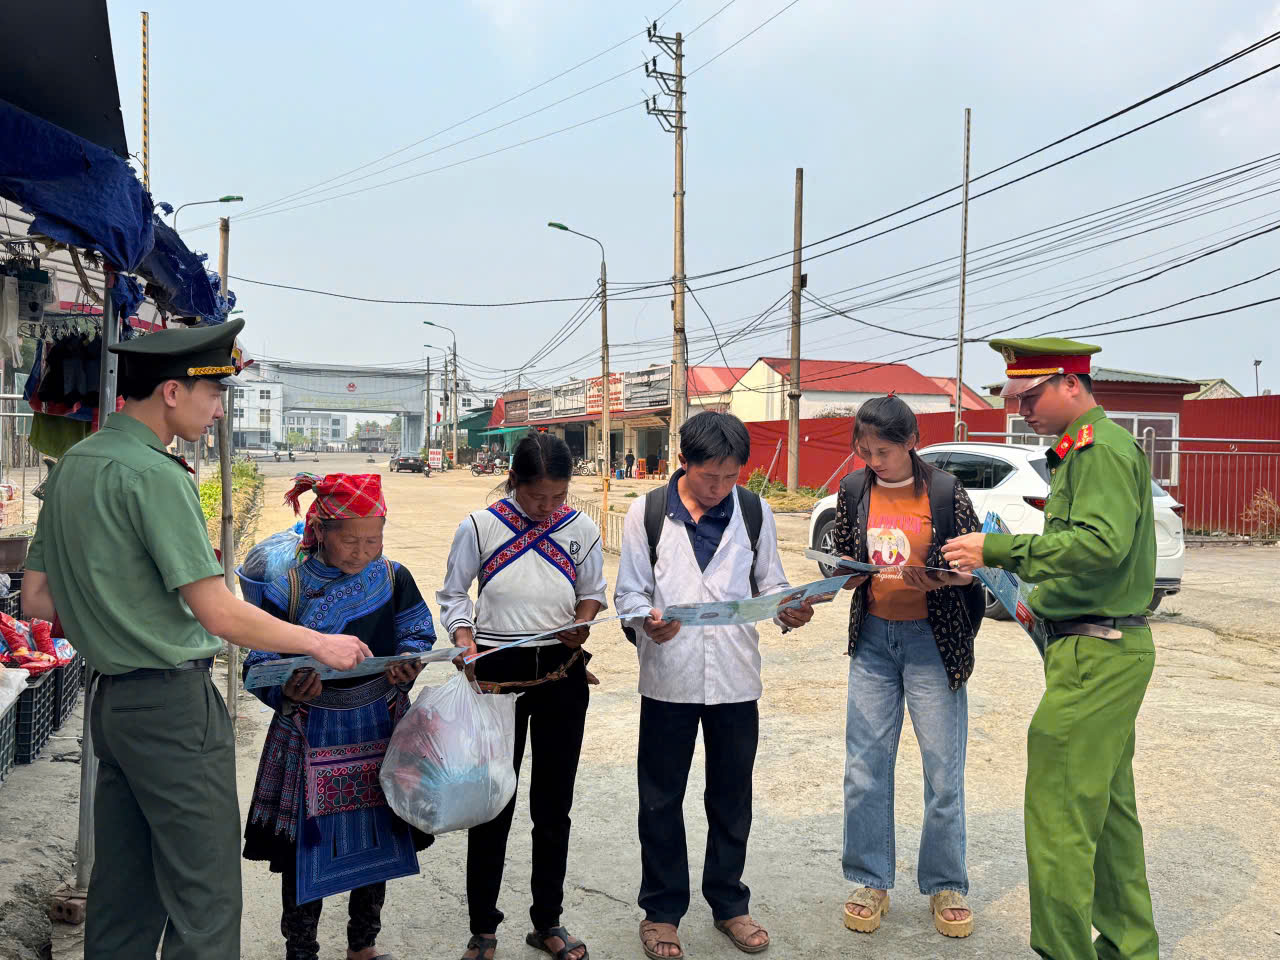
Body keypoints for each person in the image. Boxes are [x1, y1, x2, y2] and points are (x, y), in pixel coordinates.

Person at [20, 319, 370, 960]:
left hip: (113, 705)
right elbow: (219, 614)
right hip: (173, 707)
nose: (217, 410)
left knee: (125, 892)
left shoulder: (74, 465)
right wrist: (318, 643)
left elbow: (38, 601)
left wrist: (116, 612)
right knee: (205, 900)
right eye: (213, 394)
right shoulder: (156, 475)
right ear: (173, 392)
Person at [942, 337, 1161, 960]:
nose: (1021, 409)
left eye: (1030, 395)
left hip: (1098, 652)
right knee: (1109, 816)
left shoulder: (1100, 451)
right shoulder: (1078, 453)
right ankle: (1129, 946)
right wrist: (1022, 584)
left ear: (1072, 384)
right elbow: (1084, 553)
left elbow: (1101, 545)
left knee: (1060, 817)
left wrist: (1000, 551)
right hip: (1095, 646)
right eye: (1013, 398)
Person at [614, 411, 816, 960]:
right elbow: (629, 593)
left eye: (731, 477)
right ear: (683, 462)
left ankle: (729, 903)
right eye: (710, 477)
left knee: (732, 799)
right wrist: (648, 620)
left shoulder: (754, 511)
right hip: (668, 680)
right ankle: (661, 912)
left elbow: (769, 583)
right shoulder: (648, 512)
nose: (721, 488)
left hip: (735, 680)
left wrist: (788, 610)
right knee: (660, 800)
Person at [242, 471, 437, 960]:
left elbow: (416, 633)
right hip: (309, 729)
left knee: (380, 839)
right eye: (350, 540)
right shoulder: (286, 585)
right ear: (320, 530)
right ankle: (301, 948)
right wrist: (289, 687)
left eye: (373, 540)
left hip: (380, 723)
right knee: (305, 849)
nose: (362, 551)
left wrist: (406, 667)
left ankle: (362, 946)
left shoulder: (394, 577)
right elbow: (259, 661)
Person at [437, 431, 608, 960]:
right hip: (495, 673)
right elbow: (452, 593)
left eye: (559, 496)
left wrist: (581, 624)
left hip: (560, 672)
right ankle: (483, 928)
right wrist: (464, 640)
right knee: (492, 803)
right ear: (514, 482)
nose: (550, 507)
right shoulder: (480, 527)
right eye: (539, 498)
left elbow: (592, 593)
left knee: (553, 806)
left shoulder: (581, 529)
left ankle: (547, 921)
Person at [830, 396, 986, 939]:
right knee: (865, 766)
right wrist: (842, 574)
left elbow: (971, 568)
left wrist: (945, 578)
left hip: (932, 642)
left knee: (944, 770)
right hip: (873, 639)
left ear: (912, 442)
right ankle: (871, 880)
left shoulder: (944, 491)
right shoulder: (854, 491)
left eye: (884, 450)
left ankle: (946, 883)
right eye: (864, 449)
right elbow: (846, 563)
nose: (873, 459)